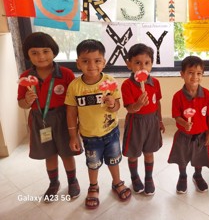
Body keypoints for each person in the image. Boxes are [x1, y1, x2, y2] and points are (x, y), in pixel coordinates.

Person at [65, 39, 131, 209]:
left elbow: (117, 106)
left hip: (111, 132)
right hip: (89, 136)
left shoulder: (110, 81)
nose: (91, 65)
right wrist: (73, 135)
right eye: (85, 61)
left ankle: (117, 182)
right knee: (93, 163)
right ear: (78, 63)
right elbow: (71, 112)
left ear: (104, 62)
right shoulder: (74, 87)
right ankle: (93, 186)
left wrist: (112, 104)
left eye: (97, 61)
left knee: (114, 160)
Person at [17, 32, 80, 202]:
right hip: (39, 119)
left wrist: (75, 123)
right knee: (49, 154)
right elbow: (21, 104)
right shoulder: (25, 78)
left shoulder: (66, 74)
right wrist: (27, 101)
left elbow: (73, 102)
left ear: (53, 52)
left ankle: (72, 181)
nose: (41, 57)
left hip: (62, 117)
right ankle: (53, 183)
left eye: (45, 51)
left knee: (67, 153)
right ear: (27, 55)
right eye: (34, 53)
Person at [121, 43, 165, 196]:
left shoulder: (156, 83)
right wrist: (138, 104)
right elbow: (129, 109)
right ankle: (134, 176)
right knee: (133, 153)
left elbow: (157, 102)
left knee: (149, 152)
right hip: (136, 122)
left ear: (152, 64)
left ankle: (148, 178)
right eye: (137, 63)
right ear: (129, 65)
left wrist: (159, 120)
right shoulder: (127, 85)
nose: (142, 67)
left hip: (152, 122)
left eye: (147, 63)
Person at [168, 55, 209, 194]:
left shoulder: (206, 94)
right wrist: (184, 123)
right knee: (182, 159)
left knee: (199, 158)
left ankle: (197, 175)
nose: (195, 77)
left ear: (203, 75)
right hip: (183, 136)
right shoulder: (178, 96)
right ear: (182, 74)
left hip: (201, 136)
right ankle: (182, 176)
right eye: (190, 73)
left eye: (199, 73)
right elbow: (176, 116)